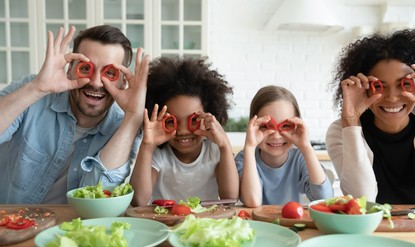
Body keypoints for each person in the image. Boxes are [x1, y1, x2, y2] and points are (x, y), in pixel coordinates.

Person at [0, 25, 150, 204]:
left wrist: (133, 116)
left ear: (122, 81)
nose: (96, 83)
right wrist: (37, 88)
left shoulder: (123, 127)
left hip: (71, 231)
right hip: (11, 227)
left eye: (109, 73)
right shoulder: (31, 91)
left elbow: (97, 200)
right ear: (70, 68)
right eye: (86, 68)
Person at [326, 28, 415, 212]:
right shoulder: (340, 132)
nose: (391, 97)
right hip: (371, 230)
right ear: (364, 88)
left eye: (404, 84)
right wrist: (350, 121)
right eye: (379, 86)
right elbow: (360, 202)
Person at [130, 56, 239, 206]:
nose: (182, 131)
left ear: (210, 116)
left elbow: (230, 199)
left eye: (193, 120)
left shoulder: (214, 151)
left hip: (205, 224)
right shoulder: (159, 155)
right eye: (171, 121)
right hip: (165, 224)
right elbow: (138, 201)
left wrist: (225, 146)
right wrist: (147, 147)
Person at [235, 85, 333, 207]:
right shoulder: (244, 158)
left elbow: (325, 200)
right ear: (253, 126)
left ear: (297, 126)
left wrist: (306, 148)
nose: (276, 136)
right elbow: (252, 201)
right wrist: (249, 148)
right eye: (266, 126)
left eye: (286, 126)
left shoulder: (300, 158)